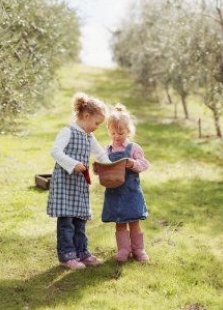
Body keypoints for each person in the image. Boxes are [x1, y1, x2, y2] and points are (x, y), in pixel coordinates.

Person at [47, 92, 111, 270]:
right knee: (67, 220)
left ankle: (82, 252)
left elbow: (100, 154)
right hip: (64, 183)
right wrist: (73, 163)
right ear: (86, 116)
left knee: (80, 219)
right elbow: (55, 151)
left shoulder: (89, 137)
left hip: (79, 184)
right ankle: (67, 256)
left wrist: (113, 167)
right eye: (97, 123)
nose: (97, 127)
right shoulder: (67, 131)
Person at [101, 103, 150, 263]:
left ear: (128, 131)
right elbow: (103, 166)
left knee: (134, 221)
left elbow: (145, 164)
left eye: (120, 132)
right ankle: (124, 249)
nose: (116, 136)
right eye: (112, 132)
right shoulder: (107, 149)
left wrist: (133, 164)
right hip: (114, 192)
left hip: (131, 192)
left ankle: (139, 249)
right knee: (120, 222)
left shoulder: (134, 148)